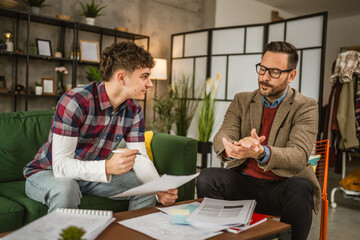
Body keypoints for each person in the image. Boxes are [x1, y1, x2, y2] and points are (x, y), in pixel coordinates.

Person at [23, 41, 178, 213]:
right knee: (67, 188)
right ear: (121, 77)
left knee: (146, 187)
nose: (150, 83)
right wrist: (106, 167)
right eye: (144, 76)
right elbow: (60, 166)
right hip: (49, 172)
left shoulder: (133, 111)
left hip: (91, 176)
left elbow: (139, 157)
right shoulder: (76, 101)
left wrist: (158, 187)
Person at [196, 41, 320, 240]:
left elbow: (299, 155)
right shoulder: (242, 100)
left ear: (291, 76)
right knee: (207, 177)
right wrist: (231, 148)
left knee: (301, 187)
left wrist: (262, 152)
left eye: (274, 72)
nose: (264, 77)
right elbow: (223, 134)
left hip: (280, 187)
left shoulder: (306, 106)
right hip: (244, 183)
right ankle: (221, 235)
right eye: (262, 69)